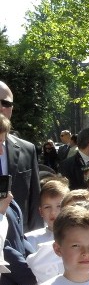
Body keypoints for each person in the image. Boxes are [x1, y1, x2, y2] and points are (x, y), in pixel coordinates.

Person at [0, 85, 45, 229]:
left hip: (18, 240)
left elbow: (34, 200)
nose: (1, 108)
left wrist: (33, 243)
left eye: (6, 103)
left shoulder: (27, 149)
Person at [25, 178, 69, 248]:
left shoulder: (79, 237)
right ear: (41, 211)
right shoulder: (30, 240)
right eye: (47, 207)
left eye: (59, 206)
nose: (53, 212)